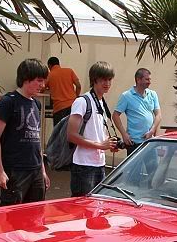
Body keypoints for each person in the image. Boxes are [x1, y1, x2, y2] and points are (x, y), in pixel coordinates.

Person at [0, 58, 50, 206]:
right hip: (15, 170)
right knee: (11, 212)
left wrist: (42, 170)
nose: (42, 85)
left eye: (43, 81)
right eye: (39, 80)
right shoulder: (8, 101)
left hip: (35, 169)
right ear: (26, 79)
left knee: (36, 213)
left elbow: (37, 139)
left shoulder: (36, 104)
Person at [67, 61, 119, 197]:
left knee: (96, 205)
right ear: (94, 79)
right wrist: (100, 145)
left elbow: (97, 133)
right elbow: (71, 135)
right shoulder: (82, 101)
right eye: (103, 79)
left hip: (99, 164)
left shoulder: (101, 102)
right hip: (83, 165)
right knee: (82, 206)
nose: (107, 83)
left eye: (109, 79)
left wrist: (109, 143)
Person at [113, 68, 161, 155]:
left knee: (153, 164)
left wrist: (152, 131)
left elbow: (158, 115)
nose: (149, 82)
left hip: (149, 142)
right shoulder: (126, 96)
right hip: (134, 143)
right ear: (138, 80)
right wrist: (124, 135)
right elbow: (115, 115)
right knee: (134, 165)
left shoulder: (153, 94)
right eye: (147, 79)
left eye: (150, 79)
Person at [46, 57, 81, 125]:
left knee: (59, 130)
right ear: (59, 64)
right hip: (73, 107)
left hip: (59, 108)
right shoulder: (69, 71)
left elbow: (41, 89)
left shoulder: (50, 75)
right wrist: (76, 97)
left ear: (49, 65)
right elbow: (78, 86)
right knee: (71, 129)